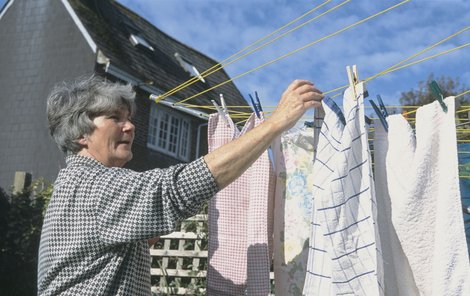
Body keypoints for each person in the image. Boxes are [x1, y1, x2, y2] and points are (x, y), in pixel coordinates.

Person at [37, 74, 323, 295]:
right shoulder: (95, 186)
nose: (130, 126)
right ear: (80, 135)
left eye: (129, 118)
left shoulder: (77, 184)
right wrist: (275, 123)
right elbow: (176, 189)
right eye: (115, 118)